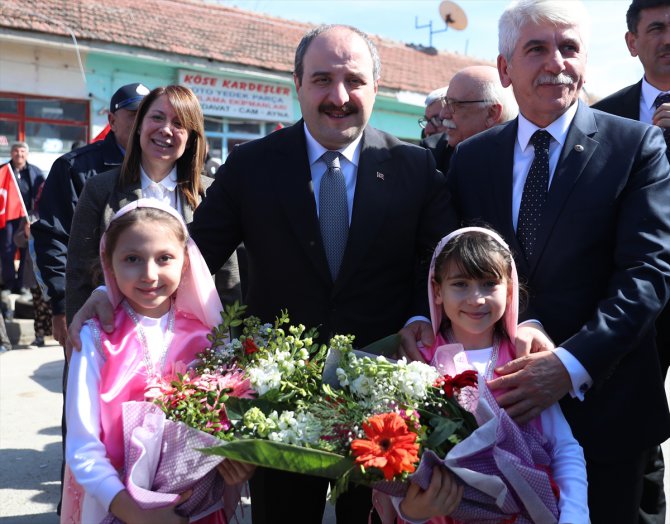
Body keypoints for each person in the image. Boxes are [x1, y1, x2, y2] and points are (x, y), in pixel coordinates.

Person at [71, 24, 458, 524]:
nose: (338, 96)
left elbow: (437, 266)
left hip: (384, 401)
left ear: (375, 89)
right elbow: (194, 251)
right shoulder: (251, 165)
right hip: (277, 402)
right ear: (297, 83)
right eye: (321, 79)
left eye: (354, 81)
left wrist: (415, 316)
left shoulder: (415, 166)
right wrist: (111, 291)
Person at [444, 1, 670, 522]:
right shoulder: (471, 160)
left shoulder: (636, 146)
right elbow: (445, 263)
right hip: (497, 416)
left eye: (569, 47)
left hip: (607, 410)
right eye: (536, 49)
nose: (556, 62)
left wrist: (569, 367)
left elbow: (648, 274)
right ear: (505, 69)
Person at [62, 199, 253, 524]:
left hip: (201, 510)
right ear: (109, 263)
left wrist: (239, 460)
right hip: (119, 509)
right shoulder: (95, 338)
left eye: (164, 258)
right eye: (132, 259)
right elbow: (82, 446)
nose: (149, 274)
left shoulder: (209, 337)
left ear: (185, 262)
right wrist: (133, 511)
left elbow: (233, 425)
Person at [398, 226, 588, 523]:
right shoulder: (417, 363)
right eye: (460, 284)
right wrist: (411, 513)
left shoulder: (525, 361)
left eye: (489, 284)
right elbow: (392, 466)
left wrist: (575, 517)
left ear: (509, 289)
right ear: (437, 291)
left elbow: (563, 447)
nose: (476, 299)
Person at [66, 85, 239, 345]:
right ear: (139, 125)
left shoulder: (211, 193)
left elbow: (228, 278)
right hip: (117, 342)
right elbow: (79, 273)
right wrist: (76, 338)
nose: (166, 129)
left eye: (179, 123)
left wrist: (231, 347)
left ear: (192, 136)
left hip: (193, 346)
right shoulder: (100, 190)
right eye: (157, 117)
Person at [591, 1, 670, 520]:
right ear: (631, 42)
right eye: (657, 28)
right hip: (637, 301)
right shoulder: (605, 118)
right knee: (638, 426)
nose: (669, 39)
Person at [31, 82, 150, 348]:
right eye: (133, 115)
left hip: (151, 307)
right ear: (112, 120)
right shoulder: (75, 168)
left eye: (148, 115)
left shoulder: (160, 167)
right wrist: (61, 305)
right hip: (91, 306)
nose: (142, 123)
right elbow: (52, 238)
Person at [425, 65, 518, 174]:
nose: (443, 114)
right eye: (446, 102)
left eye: (454, 104)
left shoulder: (527, 166)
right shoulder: (433, 153)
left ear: (492, 113)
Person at [1, 142, 44, 295]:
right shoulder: (4, 170)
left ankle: (23, 286)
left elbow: (42, 195)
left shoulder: (35, 172)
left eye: (22, 151)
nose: (19, 154)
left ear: (27, 154)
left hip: (28, 216)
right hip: (8, 217)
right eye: (16, 151)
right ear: (11, 153)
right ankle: (9, 284)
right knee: (7, 250)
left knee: (27, 251)